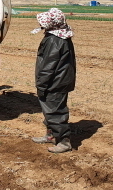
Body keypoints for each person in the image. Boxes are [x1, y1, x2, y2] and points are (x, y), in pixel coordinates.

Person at [31, 8, 76, 153]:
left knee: (55, 111)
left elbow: (48, 67)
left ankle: (64, 142)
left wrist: (41, 84)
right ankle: (50, 135)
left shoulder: (54, 41)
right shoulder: (61, 36)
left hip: (54, 82)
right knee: (50, 109)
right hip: (61, 80)